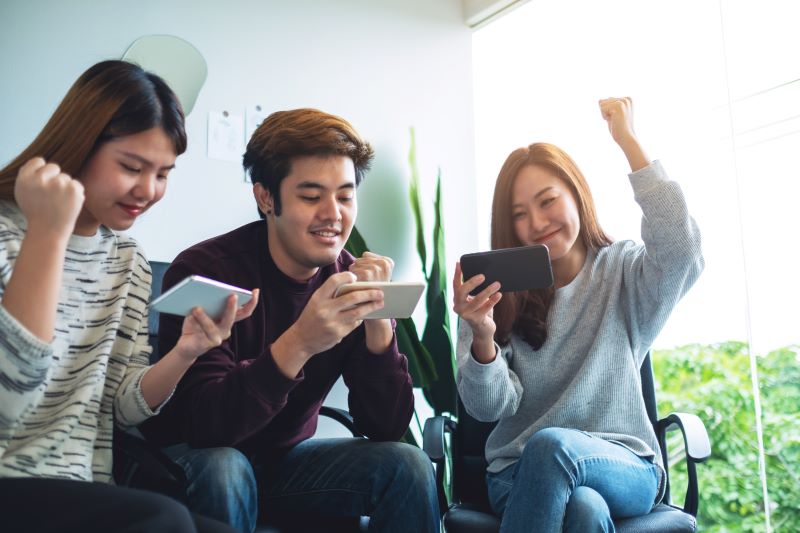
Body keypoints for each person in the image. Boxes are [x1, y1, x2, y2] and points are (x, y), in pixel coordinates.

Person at [140, 108, 440, 533]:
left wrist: (378, 325)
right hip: (196, 462)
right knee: (227, 467)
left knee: (406, 463)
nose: (333, 213)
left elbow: (386, 426)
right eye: (311, 196)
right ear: (266, 198)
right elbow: (209, 427)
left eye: (345, 195)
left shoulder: (348, 278)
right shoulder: (206, 270)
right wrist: (300, 341)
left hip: (287, 466)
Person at [0, 60, 258, 533]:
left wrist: (186, 352)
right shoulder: (9, 237)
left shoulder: (127, 259)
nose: (148, 190)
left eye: (163, 173)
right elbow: (9, 400)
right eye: (131, 167)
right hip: (11, 480)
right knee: (166, 519)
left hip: (82, 485)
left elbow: (122, 407)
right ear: (78, 147)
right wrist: (50, 232)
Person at [452, 97, 704, 532]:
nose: (537, 222)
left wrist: (629, 143)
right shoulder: (495, 295)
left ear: (577, 193)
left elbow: (681, 252)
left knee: (553, 448)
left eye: (548, 201)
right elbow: (488, 408)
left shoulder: (623, 271)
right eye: (519, 215)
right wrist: (482, 339)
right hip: (517, 474)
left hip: (624, 466)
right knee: (584, 509)